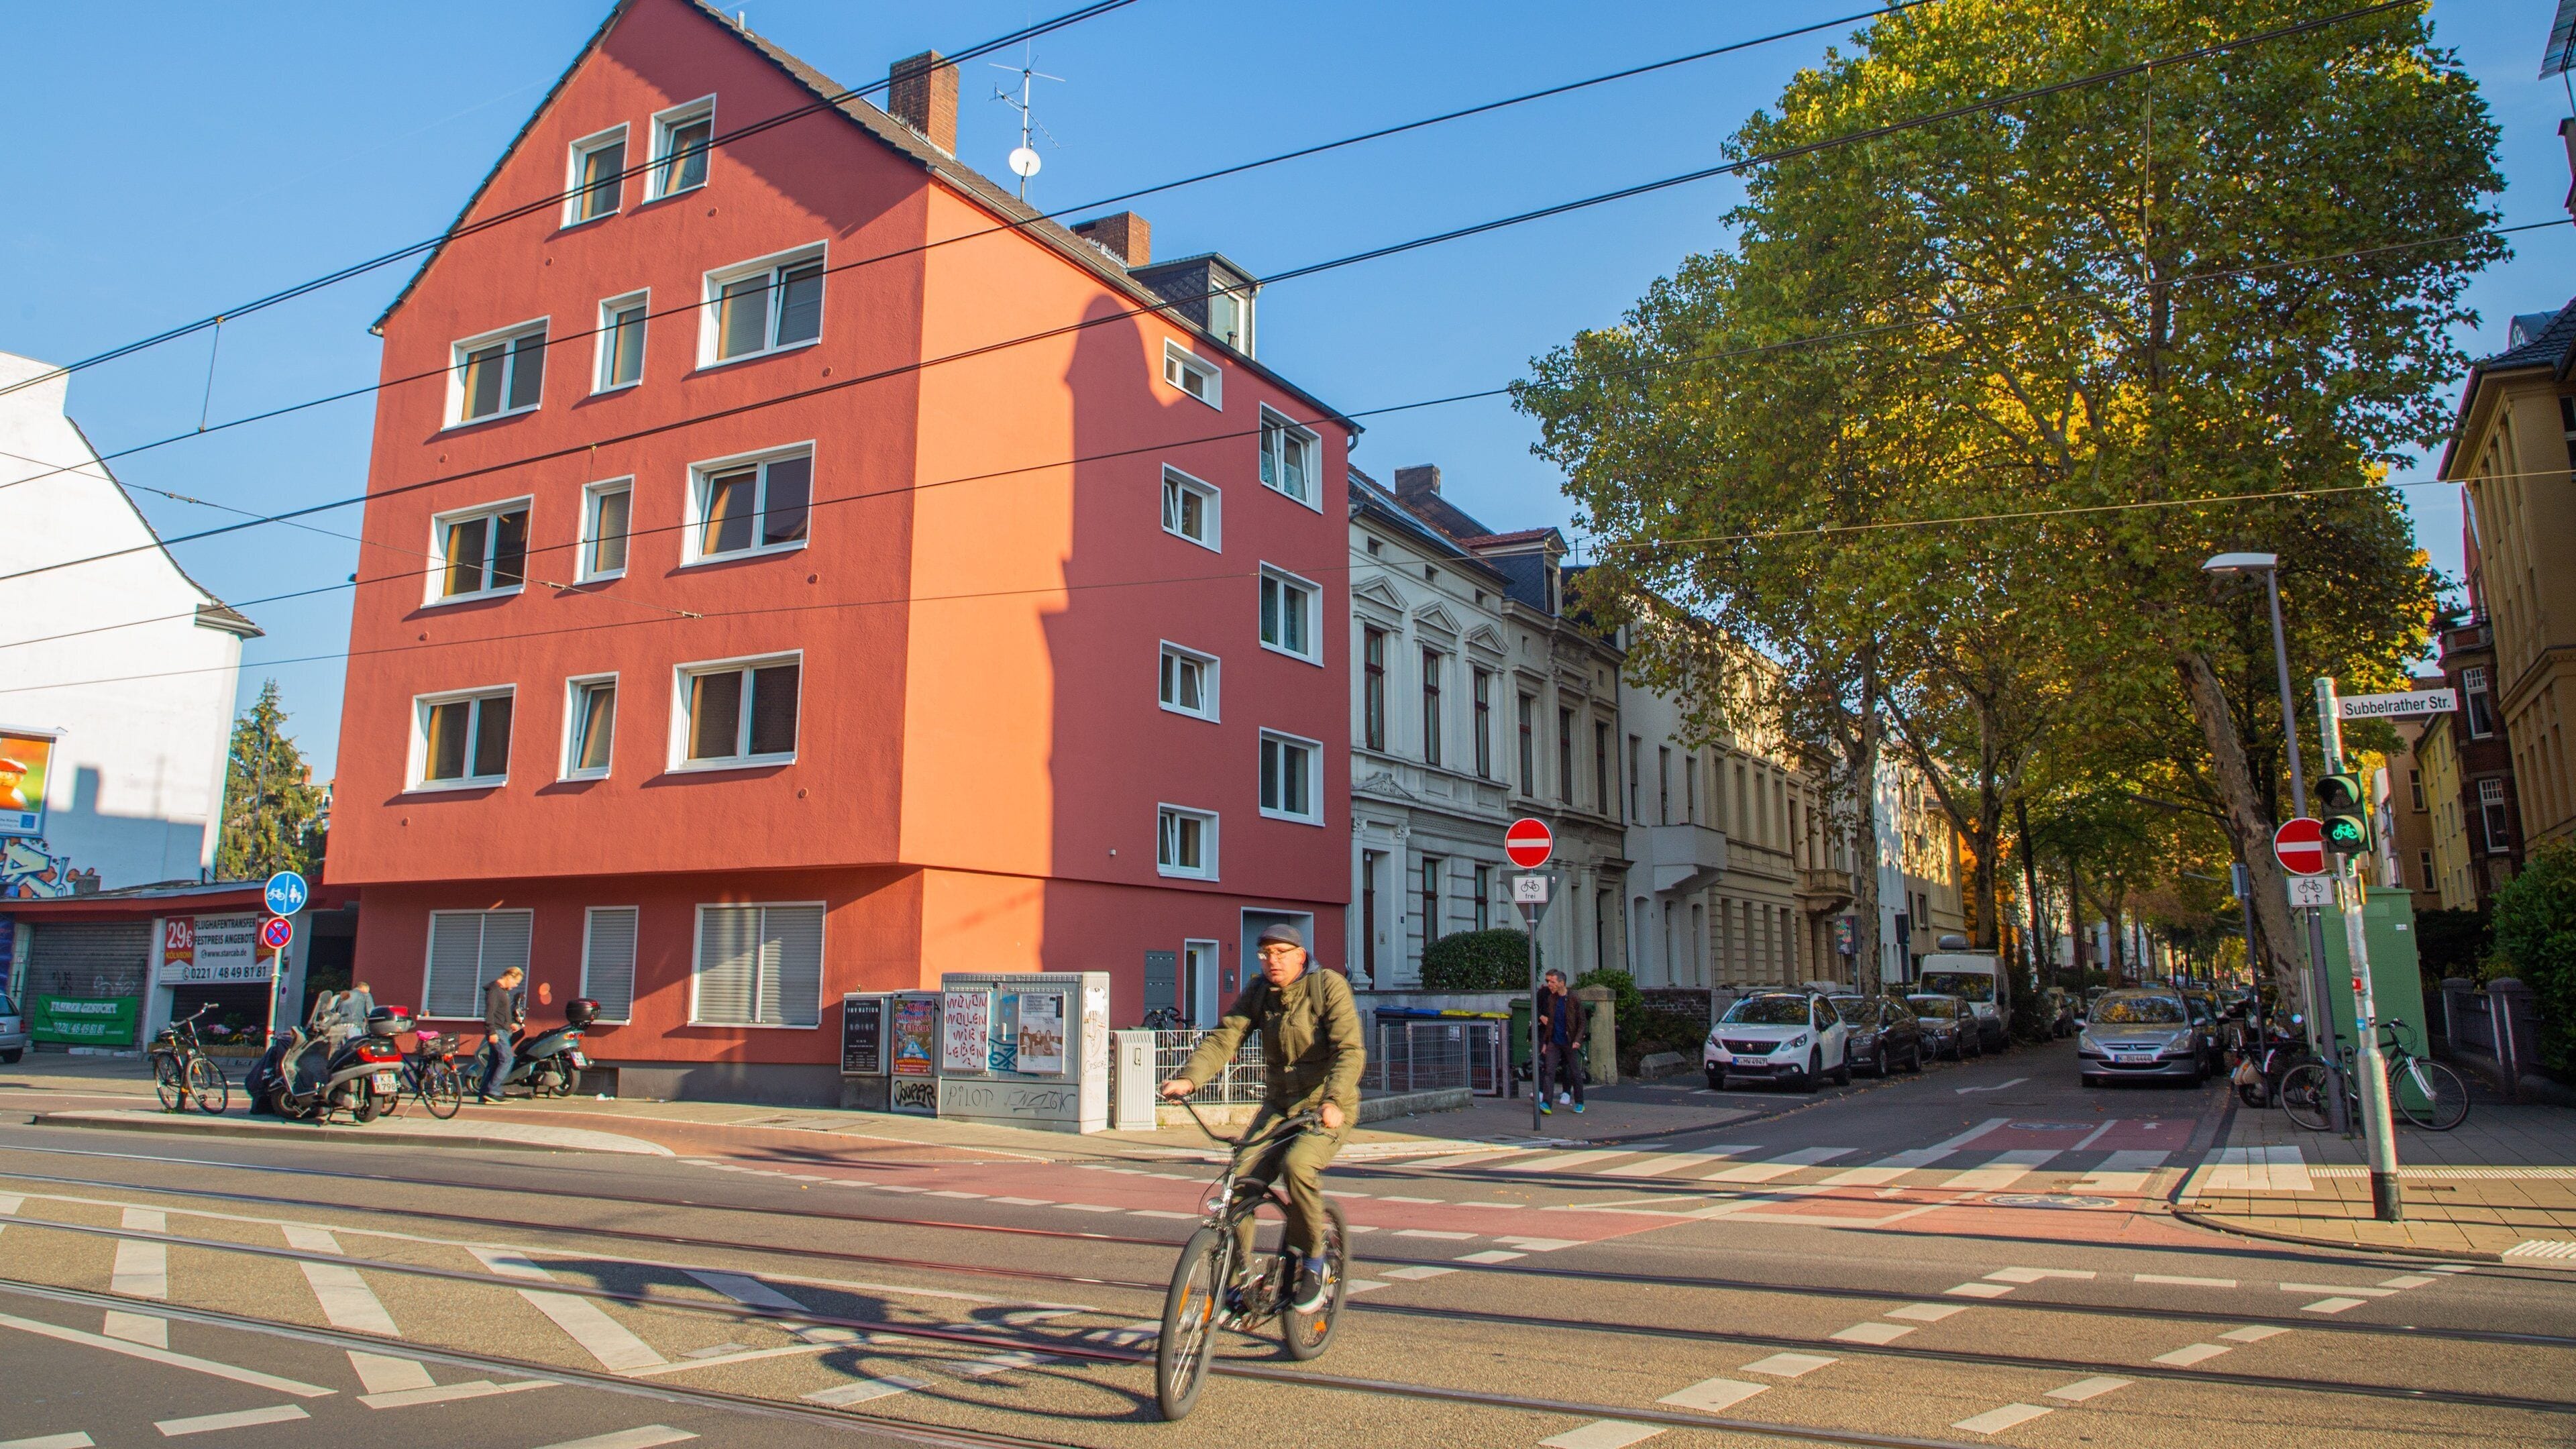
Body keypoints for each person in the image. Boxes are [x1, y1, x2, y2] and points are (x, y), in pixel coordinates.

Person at [1161, 924, 1364, 1313]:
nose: (1273, 961)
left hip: (1325, 1105)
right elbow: (1226, 1037)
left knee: (1298, 1165)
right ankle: (1236, 1284)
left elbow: (1350, 1050)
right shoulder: (1259, 992)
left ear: (1300, 956)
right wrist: (1190, 1078)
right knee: (1241, 1180)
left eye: (1282, 953)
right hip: (1279, 1105)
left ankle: (1314, 1262)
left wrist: (1335, 1100)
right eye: (1266, 954)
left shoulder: (1328, 988)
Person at [1534, 969, 1586, 1115]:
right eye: (1549, 982)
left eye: (1553, 982)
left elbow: (1582, 1021)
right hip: (1555, 1041)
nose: (1550, 984)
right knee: (1549, 1071)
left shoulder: (1574, 998)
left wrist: (1577, 1040)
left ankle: (1580, 1102)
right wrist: (1546, 1042)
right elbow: (1551, 1023)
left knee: (1575, 1072)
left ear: (1562, 983)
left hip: (1569, 1041)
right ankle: (1546, 1103)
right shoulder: (1552, 999)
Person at [480, 966, 525, 1103]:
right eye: (515, 983)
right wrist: (491, 1032)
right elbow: (489, 1014)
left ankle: (484, 1094)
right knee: (507, 1059)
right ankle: (493, 1090)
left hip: (502, 1029)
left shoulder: (502, 992)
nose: (515, 986)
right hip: (497, 1032)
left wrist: (510, 1024)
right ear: (509, 977)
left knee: (494, 1063)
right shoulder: (494, 991)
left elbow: (501, 1013)